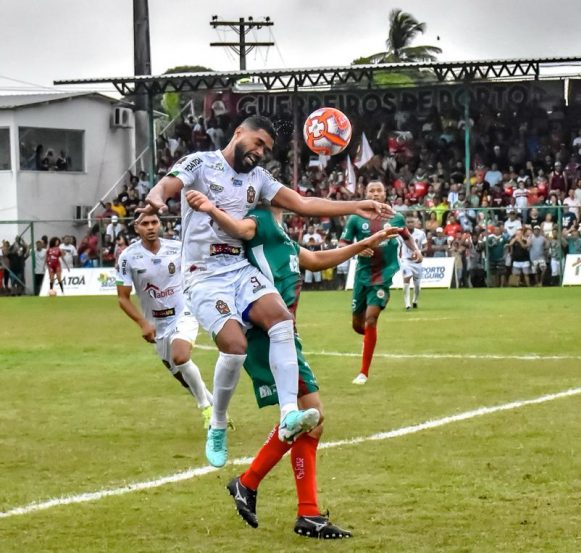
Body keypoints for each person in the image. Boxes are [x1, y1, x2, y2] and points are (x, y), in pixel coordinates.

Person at [141, 115, 393, 467]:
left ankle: (290, 411)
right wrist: (155, 198)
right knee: (235, 346)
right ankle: (217, 424)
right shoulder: (200, 162)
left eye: (266, 150)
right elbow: (166, 186)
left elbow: (303, 204)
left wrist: (355, 205)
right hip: (202, 275)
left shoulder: (258, 179)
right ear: (239, 133)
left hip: (238, 269)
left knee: (280, 319)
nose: (260, 153)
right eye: (258, 144)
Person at [194, 202, 397, 538]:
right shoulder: (256, 224)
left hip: (285, 337)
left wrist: (363, 244)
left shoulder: (281, 237)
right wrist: (211, 208)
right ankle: (275, 496)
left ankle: (270, 494)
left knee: (310, 422)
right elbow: (238, 231)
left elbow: (314, 259)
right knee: (312, 416)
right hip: (267, 337)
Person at [116, 213, 213, 427]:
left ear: (160, 224)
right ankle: (215, 406)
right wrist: (143, 323)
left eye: (154, 222)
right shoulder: (127, 257)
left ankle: (207, 411)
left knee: (181, 357)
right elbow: (122, 298)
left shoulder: (177, 248)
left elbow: (198, 272)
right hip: (156, 323)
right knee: (179, 374)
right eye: (145, 224)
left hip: (183, 313)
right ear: (136, 228)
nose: (150, 227)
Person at [339, 180, 422, 385]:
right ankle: (368, 337)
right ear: (366, 194)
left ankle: (363, 372)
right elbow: (342, 244)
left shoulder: (395, 217)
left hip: (383, 275)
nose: (375, 194)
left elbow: (406, 236)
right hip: (362, 274)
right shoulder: (356, 219)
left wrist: (415, 250)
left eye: (379, 190)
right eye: (371, 191)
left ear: (385, 194)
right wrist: (358, 248)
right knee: (358, 325)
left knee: (371, 319)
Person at [400, 215, 427, 310]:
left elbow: (426, 247)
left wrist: (419, 252)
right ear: (405, 223)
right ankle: (407, 304)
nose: (410, 224)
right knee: (406, 279)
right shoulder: (402, 233)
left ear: (415, 223)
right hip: (406, 260)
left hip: (417, 261)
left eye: (412, 222)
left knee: (417, 285)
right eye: (408, 222)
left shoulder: (421, 233)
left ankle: (415, 300)